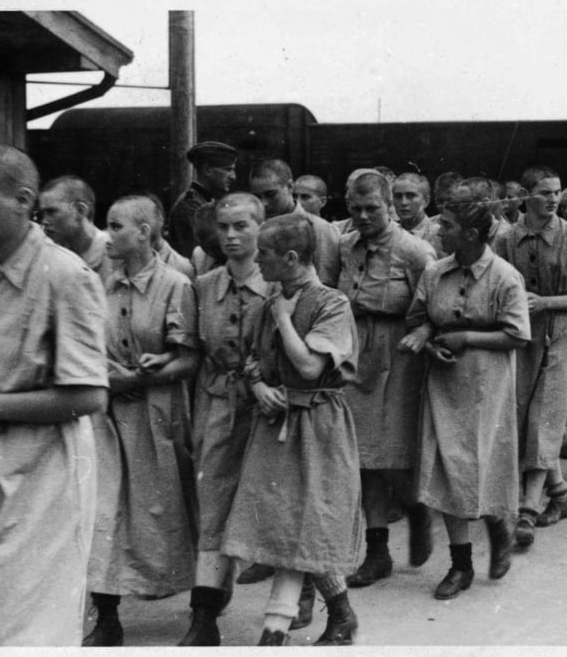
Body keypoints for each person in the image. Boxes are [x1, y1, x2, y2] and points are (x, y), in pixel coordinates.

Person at [0, 143, 108, 646]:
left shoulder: (65, 275)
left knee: (28, 626)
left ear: (22, 200)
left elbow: (87, 395)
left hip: (42, 476)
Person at [223, 213, 362, 646]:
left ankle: (275, 631)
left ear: (289, 257)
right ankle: (339, 613)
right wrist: (260, 385)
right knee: (286, 524)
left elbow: (308, 366)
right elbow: (251, 359)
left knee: (307, 522)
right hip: (277, 423)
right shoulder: (271, 301)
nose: (256, 259)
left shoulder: (331, 304)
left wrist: (284, 318)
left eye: (263, 253)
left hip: (318, 425)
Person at [399, 186, 530, 600]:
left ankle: (499, 527)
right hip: (443, 384)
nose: (439, 231)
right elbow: (419, 318)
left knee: (482, 465)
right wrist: (426, 336)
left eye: (448, 226)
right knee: (446, 470)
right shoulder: (435, 272)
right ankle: (461, 565)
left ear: (472, 234)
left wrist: (467, 337)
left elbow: (517, 335)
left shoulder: (505, 277)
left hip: (486, 388)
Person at [84, 194, 201, 646]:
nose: (107, 234)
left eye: (116, 226)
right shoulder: (100, 283)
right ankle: (108, 618)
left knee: (172, 510)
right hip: (110, 418)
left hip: (159, 416)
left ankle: (201, 613)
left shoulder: (176, 284)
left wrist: (136, 376)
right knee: (104, 511)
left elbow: (189, 359)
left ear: (145, 233)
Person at [177, 194, 275, 645]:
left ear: (261, 227)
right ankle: (204, 617)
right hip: (217, 403)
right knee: (213, 505)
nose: (231, 236)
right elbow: (194, 355)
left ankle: (316, 597)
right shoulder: (202, 286)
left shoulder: (279, 285)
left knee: (278, 503)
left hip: (270, 410)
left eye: (241, 226)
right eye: (223, 227)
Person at [336, 172, 436, 588]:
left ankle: (418, 509)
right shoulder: (344, 246)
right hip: (356, 352)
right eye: (355, 209)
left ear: (390, 205)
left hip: (399, 357)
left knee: (391, 455)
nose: (363, 216)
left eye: (372, 208)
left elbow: (439, 304)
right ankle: (377, 552)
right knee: (361, 461)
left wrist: (423, 331)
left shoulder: (415, 251)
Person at [493, 166, 567, 547]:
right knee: (523, 415)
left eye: (556, 192)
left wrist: (546, 302)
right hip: (522, 338)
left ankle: (527, 509)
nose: (553, 200)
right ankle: (560, 493)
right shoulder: (507, 238)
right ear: (525, 195)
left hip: (563, 334)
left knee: (546, 416)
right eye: (544, 192)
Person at [249, 158, 341, 288]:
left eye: (271, 194)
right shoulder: (255, 228)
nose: (264, 203)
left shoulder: (320, 229)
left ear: (290, 187)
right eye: (258, 197)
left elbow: (325, 286)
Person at [168, 141, 237, 258]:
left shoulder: (203, 201)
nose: (233, 176)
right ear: (207, 170)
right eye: (228, 169)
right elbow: (198, 256)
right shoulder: (190, 206)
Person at [37, 175, 112, 282]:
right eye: (43, 214)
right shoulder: (52, 255)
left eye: (52, 212)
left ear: (81, 210)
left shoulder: (115, 254)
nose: (44, 221)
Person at [392, 172, 443, 255]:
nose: (403, 202)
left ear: (426, 201)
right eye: (398, 196)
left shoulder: (439, 235)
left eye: (410, 196)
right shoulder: (388, 234)